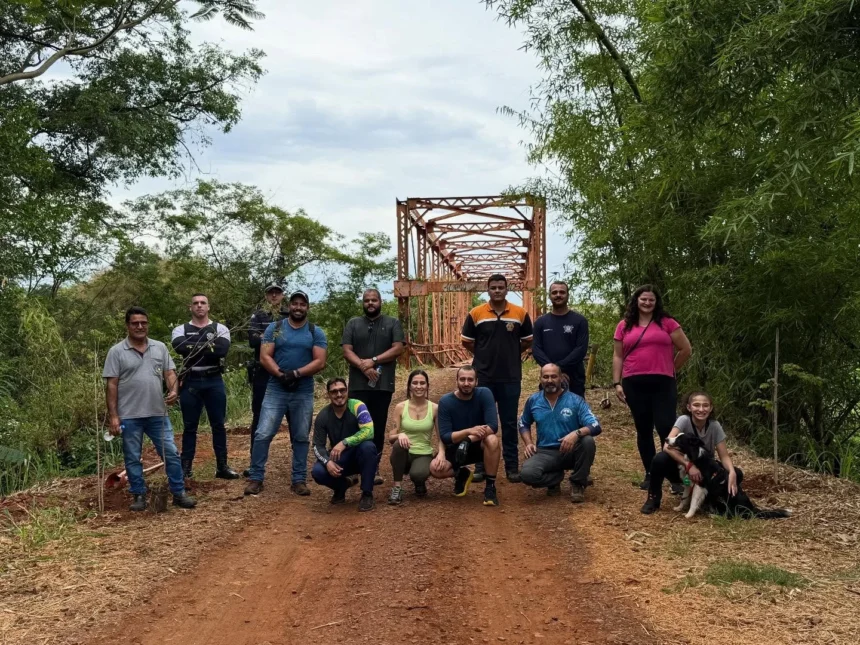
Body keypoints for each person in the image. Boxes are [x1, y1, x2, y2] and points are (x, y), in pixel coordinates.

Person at [103, 307, 196, 511]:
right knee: (132, 456)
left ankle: (179, 493)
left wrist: (174, 391)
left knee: (170, 453)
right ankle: (139, 495)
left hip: (157, 413)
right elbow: (111, 385)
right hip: (129, 415)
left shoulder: (159, 347)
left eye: (143, 323)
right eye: (135, 323)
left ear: (148, 325)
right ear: (127, 326)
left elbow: (170, 374)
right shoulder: (116, 352)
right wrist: (114, 417)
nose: (140, 326)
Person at [244, 290, 327, 496]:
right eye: (295, 303)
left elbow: (320, 361)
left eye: (302, 304)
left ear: (307, 307)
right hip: (276, 388)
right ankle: (256, 477)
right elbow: (265, 356)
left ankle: (298, 480)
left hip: (303, 390)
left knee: (300, 436)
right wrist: (281, 375)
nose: (298, 307)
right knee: (263, 433)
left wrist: (296, 373)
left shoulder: (315, 331)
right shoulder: (276, 328)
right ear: (289, 306)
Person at [612, 284, 692, 491]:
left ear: (656, 302)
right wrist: (617, 382)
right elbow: (618, 355)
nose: (647, 303)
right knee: (644, 428)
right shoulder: (624, 325)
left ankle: (675, 477)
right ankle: (650, 473)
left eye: (651, 300)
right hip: (634, 382)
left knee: (667, 428)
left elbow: (685, 349)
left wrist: (670, 368)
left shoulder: (667, 323)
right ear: (636, 301)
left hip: (663, 383)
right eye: (643, 299)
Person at [461, 274, 533, 483]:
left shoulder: (520, 313)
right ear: (488, 289)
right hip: (484, 376)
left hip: (511, 376)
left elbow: (527, 340)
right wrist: (483, 353)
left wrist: (511, 351)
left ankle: (512, 467)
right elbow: (467, 341)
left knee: (509, 422)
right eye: (493, 287)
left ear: (506, 289)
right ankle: (481, 466)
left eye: (501, 287)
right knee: (482, 422)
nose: (497, 291)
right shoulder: (476, 313)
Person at [171, 293, 239, 480]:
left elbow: (221, 350)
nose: (199, 306)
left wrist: (194, 346)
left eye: (203, 303)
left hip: (213, 380)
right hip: (190, 381)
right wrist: (209, 345)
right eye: (195, 303)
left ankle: (222, 466)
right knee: (189, 426)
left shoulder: (220, 328)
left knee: (218, 424)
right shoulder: (180, 329)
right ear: (190, 307)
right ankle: (186, 468)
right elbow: (180, 348)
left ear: (208, 307)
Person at [342, 288, 405, 484]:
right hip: (358, 385)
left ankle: (374, 467)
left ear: (380, 302)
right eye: (367, 300)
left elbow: (398, 348)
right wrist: (363, 365)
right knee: (354, 425)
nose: (370, 303)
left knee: (376, 426)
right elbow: (346, 350)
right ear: (363, 303)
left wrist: (374, 360)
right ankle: (352, 467)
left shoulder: (392, 322)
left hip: (382, 385)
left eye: (374, 300)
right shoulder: (353, 323)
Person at [641, 391, 740, 514]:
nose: (701, 409)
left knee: (737, 473)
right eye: (696, 405)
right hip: (681, 468)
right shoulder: (684, 420)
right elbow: (666, 446)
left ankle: (712, 501)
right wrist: (688, 465)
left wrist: (732, 473)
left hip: (703, 470)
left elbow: (724, 456)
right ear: (689, 407)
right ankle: (653, 498)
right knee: (659, 459)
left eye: (705, 405)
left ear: (711, 408)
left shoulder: (715, 426)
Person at [518, 364, 601, 503]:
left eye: (553, 376)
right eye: (545, 377)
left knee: (587, 441)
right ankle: (555, 478)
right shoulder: (533, 400)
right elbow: (523, 423)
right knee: (527, 475)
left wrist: (576, 433)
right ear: (540, 379)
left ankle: (578, 482)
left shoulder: (576, 400)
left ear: (561, 378)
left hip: (570, 451)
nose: (549, 380)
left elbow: (596, 425)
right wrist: (528, 443)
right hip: (545, 452)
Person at [429, 365, 502, 507]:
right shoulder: (446, 401)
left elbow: (492, 426)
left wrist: (468, 439)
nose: (466, 383)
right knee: (435, 469)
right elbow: (445, 436)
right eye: (462, 379)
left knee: (492, 440)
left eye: (470, 379)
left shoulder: (485, 394)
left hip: (479, 444)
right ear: (456, 381)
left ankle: (490, 487)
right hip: (456, 448)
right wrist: (469, 431)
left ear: (476, 382)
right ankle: (461, 474)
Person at [310, 378, 377, 512]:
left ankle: (367, 493)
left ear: (347, 391)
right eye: (334, 391)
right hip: (340, 459)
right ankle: (341, 487)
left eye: (342, 390)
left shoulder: (357, 406)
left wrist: (345, 442)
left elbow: (369, 431)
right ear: (328, 394)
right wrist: (327, 461)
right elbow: (317, 445)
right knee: (318, 471)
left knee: (369, 447)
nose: (339, 395)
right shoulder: (323, 415)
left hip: (360, 454)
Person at [244, 282, 288, 476]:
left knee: (294, 418)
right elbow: (253, 340)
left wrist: (266, 337)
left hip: (287, 371)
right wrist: (274, 337)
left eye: (277, 293)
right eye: (271, 293)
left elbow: (292, 340)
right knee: (259, 416)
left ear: (282, 295)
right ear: (266, 295)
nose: (274, 296)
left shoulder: (289, 314)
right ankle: (255, 463)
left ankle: (298, 468)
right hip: (262, 372)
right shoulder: (258, 315)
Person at [387, 369, 438, 505]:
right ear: (409, 386)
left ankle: (419, 481)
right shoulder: (400, 407)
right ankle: (397, 488)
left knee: (418, 474)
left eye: (422, 383)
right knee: (398, 444)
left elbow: (440, 437)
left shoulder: (434, 408)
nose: (419, 386)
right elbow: (391, 437)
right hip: (404, 452)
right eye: (415, 383)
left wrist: (441, 454)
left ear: (427, 386)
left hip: (424, 453)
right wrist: (400, 434)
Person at [532, 281, 589, 396]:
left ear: (568, 295)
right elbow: (536, 349)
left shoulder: (580, 321)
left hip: (574, 378)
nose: (558, 295)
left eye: (562, 292)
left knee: (574, 412)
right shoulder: (540, 322)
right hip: (548, 379)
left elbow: (581, 349)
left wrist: (558, 369)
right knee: (547, 411)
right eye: (554, 292)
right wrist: (554, 373)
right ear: (550, 296)